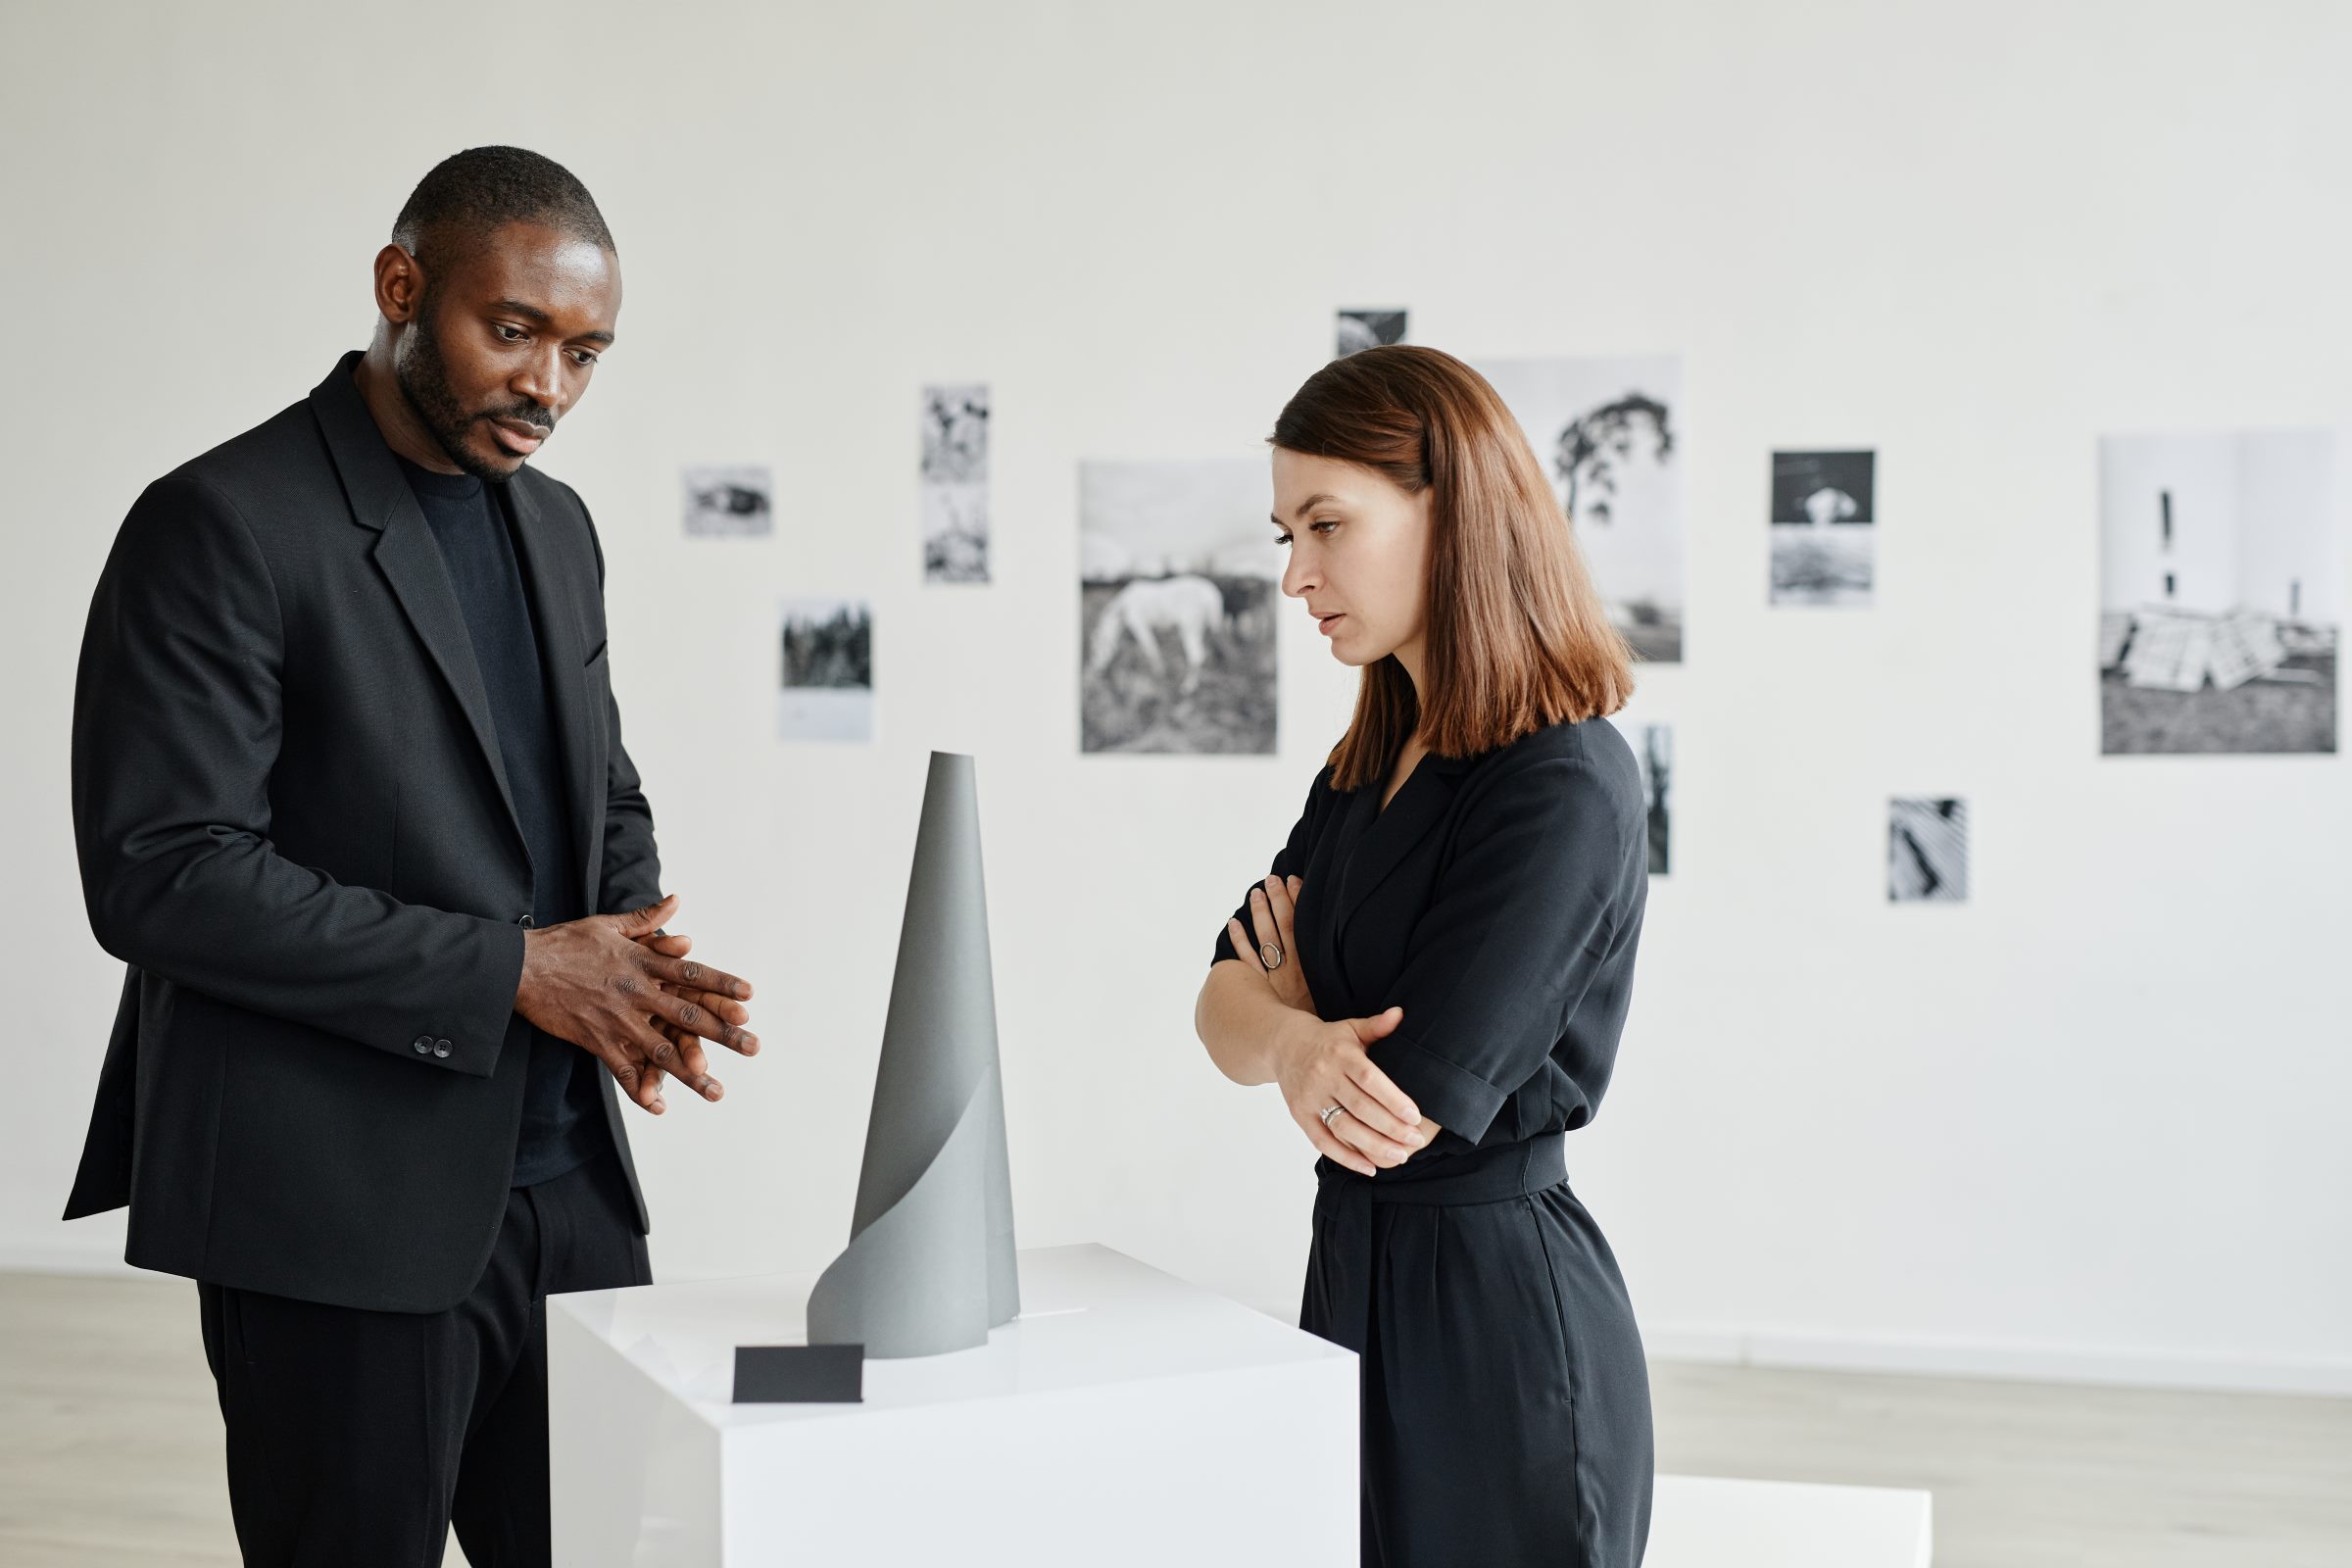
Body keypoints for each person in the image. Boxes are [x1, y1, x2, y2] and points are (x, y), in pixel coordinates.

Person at [63, 145, 760, 1566]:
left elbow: (594, 786)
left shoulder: (559, 531)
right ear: (401, 287)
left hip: (572, 1202)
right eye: (512, 332)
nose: (548, 388)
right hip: (333, 1213)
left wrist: (638, 968)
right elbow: (163, 871)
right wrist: (516, 971)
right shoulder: (218, 524)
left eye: (584, 354)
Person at [1194, 344, 1654, 1566]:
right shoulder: (1361, 771)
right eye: (1287, 534)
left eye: (1327, 525)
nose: (1297, 575)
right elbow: (1218, 1005)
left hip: (1497, 1325)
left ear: (1450, 508)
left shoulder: (1564, 778)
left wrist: (1286, 1024)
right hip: (1350, 1281)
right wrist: (1293, 1037)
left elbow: (1399, 1113)